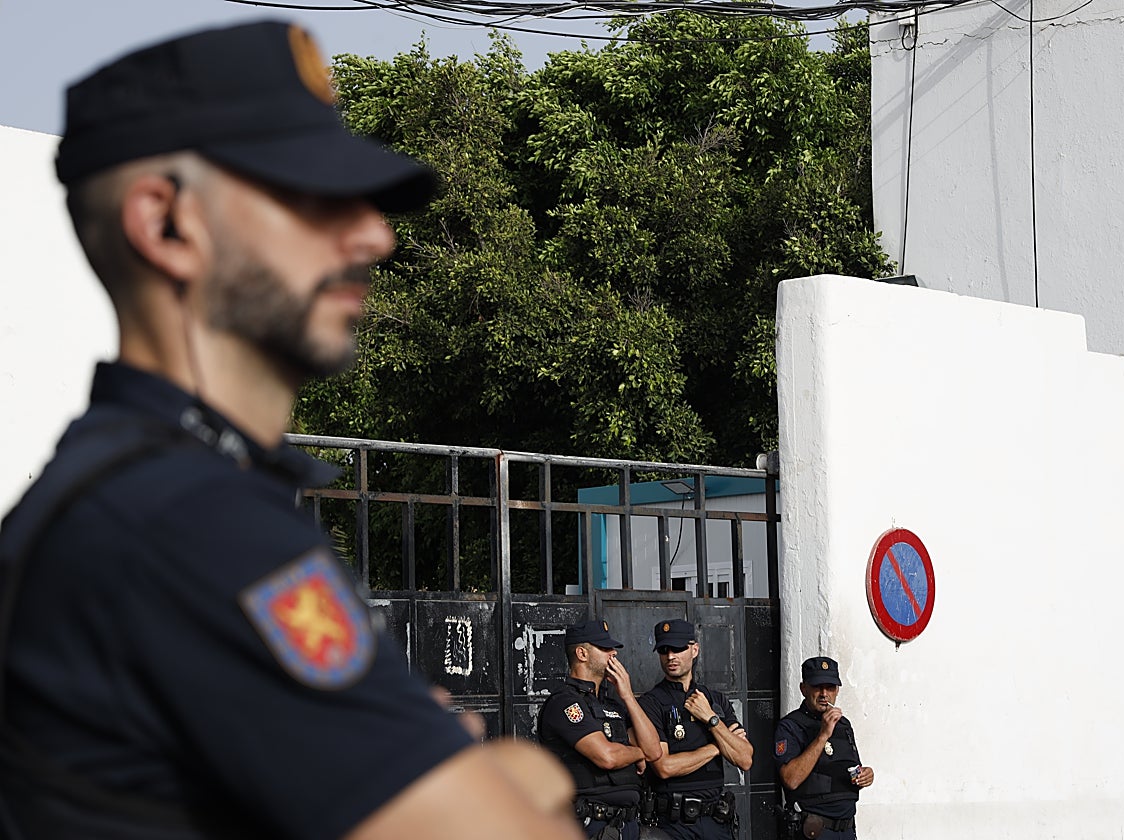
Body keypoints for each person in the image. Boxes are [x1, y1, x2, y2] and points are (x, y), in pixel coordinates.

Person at [0, 20, 581, 840]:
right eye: (310, 194)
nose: (374, 234)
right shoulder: (190, 524)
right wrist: (520, 775)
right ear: (164, 223)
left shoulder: (128, 490)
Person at [537, 620, 662, 840]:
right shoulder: (565, 702)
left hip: (627, 824)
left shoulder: (613, 703)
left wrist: (628, 696)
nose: (613, 653)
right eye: (604, 649)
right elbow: (607, 757)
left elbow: (654, 751)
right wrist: (637, 753)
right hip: (590, 823)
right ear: (582, 654)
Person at [637, 619, 753, 840]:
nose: (671, 656)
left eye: (678, 648)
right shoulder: (651, 703)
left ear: (694, 649)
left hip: (716, 821)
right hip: (673, 824)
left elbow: (745, 759)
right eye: (664, 650)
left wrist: (711, 719)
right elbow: (664, 767)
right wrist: (718, 746)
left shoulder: (715, 701)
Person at [774, 657, 875, 840]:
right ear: (804, 689)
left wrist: (867, 775)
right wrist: (823, 735)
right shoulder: (790, 726)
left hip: (847, 829)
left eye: (830, 688)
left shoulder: (843, 725)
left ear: (837, 691)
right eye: (817, 687)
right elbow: (791, 779)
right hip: (814, 830)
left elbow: (852, 768)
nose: (824, 694)